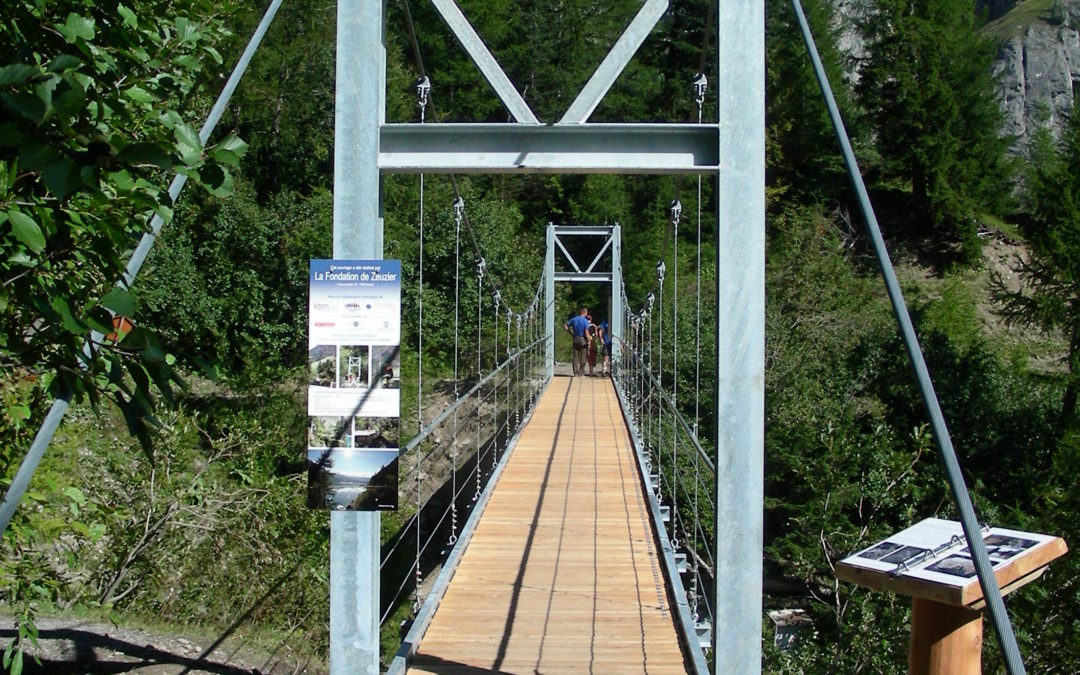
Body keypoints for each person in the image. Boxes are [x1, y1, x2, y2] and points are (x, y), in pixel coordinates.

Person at [564, 306, 590, 376]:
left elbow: (565, 325)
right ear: (584, 312)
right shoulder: (585, 321)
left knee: (575, 356)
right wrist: (589, 341)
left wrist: (571, 333)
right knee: (583, 356)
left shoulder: (574, 319)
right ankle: (581, 373)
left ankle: (575, 373)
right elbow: (586, 332)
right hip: (583, 339)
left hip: (575, 338)